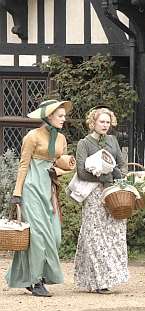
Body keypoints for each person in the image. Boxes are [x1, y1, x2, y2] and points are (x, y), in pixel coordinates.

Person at [6, 99, 73, 297]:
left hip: (49, 188)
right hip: (31, 188)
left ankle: (26, 276)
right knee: (37, 237)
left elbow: (61, 163)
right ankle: (35, 281)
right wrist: (17, 194)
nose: (64, 119)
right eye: (60, 116)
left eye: (63, 115)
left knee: (55, 236)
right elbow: (23, 165)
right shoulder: (32, 136)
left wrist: (63, 169)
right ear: (49, 116)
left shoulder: (61, 138)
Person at [73, 106, 128, 294]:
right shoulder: (84, 143)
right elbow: (81, 171)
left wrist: (120, 179)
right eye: (101, 121)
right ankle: (99, 280)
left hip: (112, 193)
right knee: (94, 236)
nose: (105, 125)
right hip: (94, 194)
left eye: (107, 122)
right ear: (93, 123)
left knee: (114, 234)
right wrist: (103, 178)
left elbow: (121, 163)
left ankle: (110, 276)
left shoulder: (112, 140)